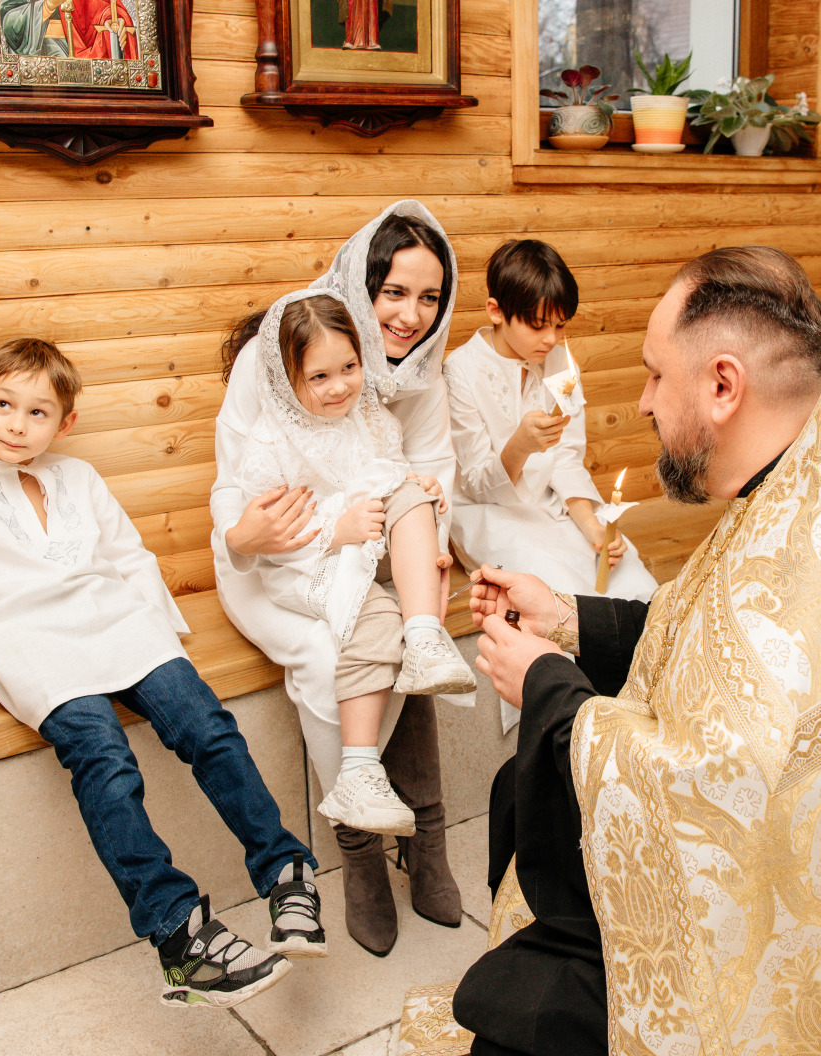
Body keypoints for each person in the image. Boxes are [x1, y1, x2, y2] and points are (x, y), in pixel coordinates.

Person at [452, 247, 821, 1056]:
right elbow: (705, 632)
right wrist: (568, 618)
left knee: (516, 1033)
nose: (645, 401)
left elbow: (701, 793)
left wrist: (543, 683)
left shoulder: (809, 547)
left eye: (657, 375)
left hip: (784, 958)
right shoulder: (815, 485)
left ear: (722, 385)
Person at [0, 338, 324, 1009]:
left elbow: (130, 561)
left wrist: (159, 641)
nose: (17, 423)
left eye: (37, 412)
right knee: (104, 756)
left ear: (64, 422)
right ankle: (178, 935)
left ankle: (285, 870)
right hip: (27, 643)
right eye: (4, 404)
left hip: (116, 624)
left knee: (205, 723)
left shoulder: (80, 479)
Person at [213, 201, 462, 956]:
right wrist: (248, 536)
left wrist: (435, 561)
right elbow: (240, 482)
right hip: (276, 558)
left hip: (373, 543)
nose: (410, 315)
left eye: (428, 297)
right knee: (343, 646)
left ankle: (425, 838)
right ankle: (359, 854)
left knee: (408, 634)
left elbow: (428, 473)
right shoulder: (291, 347)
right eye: (393, 293)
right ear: (363, 286)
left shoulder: (414, 376)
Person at [234, 291, 475, 835]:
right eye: (319, 377)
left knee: (410, 494)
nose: (340, 385)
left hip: (366, 544)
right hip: (305, 563)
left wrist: (419, 486)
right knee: (374, 620)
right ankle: (359, 773)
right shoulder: (272, 445)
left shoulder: (370, 418)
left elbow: (387, 473)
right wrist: (333, 531)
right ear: (285, 379)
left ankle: (424, 637)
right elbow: (275, 533)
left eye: (349, 367)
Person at [444, 239, 656, 733]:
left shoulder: (559, 362)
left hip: (554, 502)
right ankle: (580, 729)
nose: (550, 339)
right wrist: (518, 444)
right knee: (551, 584)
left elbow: (566, 456)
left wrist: (593, 524)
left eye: (560, 325)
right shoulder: (460, 372)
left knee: (631, 584)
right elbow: (476, 486)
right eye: (538, 325)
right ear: (497, 311)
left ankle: (640, 721)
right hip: (487, 510)